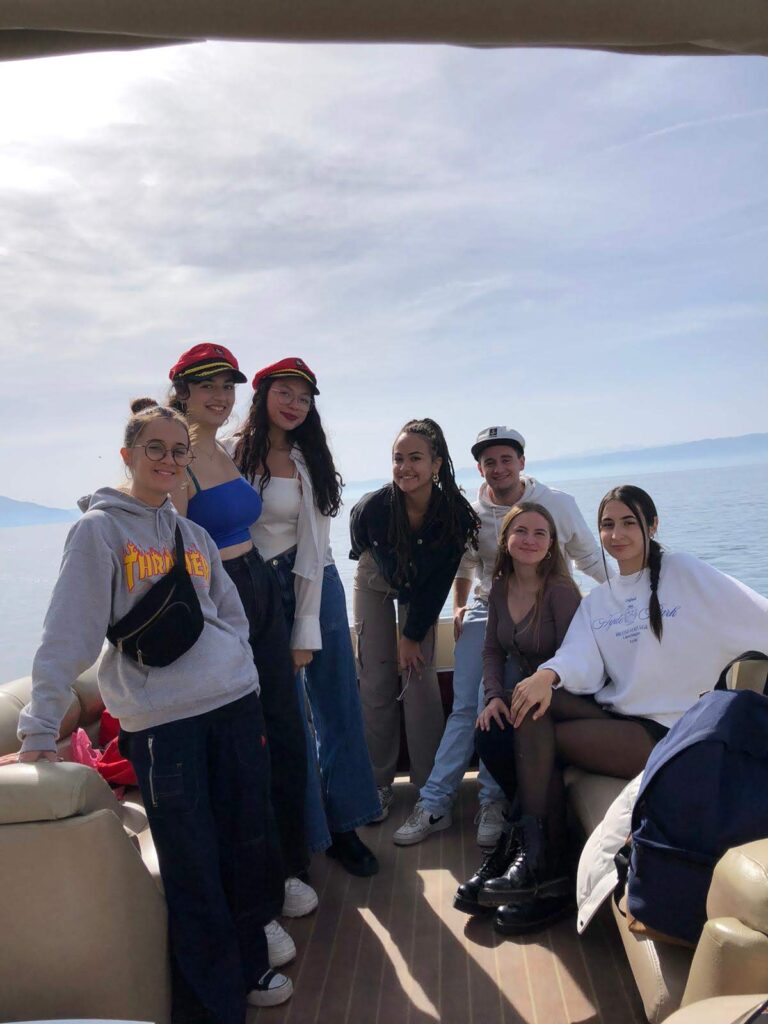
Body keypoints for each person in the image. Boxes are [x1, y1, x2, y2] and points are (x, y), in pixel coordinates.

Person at [17, 401, 293, 1021]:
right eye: (155, 448)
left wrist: (239, 670)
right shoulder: (98, 531)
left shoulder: (192, 536)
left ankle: (249, 961)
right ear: (128, 456)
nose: (168, 460)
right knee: (191, 858)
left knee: (247, 842)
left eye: (178, 451)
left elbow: (229, 613)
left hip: (232, 706)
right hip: (163, 725)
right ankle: (214, 999)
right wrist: (38, 732)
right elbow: (68, 635)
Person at [473, 484, 768, 935]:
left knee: (537, 732)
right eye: (607, 525)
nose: (616, 534)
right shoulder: (600, 600)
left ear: (652, 525)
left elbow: (756, 616)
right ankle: (540, 862)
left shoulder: (683, 572)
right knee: (530, 702)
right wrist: (547, 675)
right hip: (621, 719)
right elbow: (580, 659)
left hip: (671, 733)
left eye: (629, 522)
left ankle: (538, 864)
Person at [167, 343, 316, 939]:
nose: (220, 396)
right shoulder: (177, 455)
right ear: (181, 390)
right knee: (243, 744)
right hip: (218, 598)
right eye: (206, 385)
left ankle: (288, 866)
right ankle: (256, 898)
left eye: (227, 386)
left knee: (284, 729)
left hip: (257, 587)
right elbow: (171, 548)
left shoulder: (224, 450)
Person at [397, 425, 608, 848]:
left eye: (506, 459)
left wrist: (630, 596)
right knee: (465, 706)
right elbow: (466, 564)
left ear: (522, 462)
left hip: (540, 615)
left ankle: (492, 802)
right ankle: (434, 803)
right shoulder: (472, 512)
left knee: (491, 702)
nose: (498, 468)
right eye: (489, 462)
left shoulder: (557, 504)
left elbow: (589, 557)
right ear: (480, 468)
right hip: (489, 608)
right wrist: (460, 605)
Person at [232, 357, 381, 877]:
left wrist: (305, 629)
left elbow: (316, 549)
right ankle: (307, 834)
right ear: (262, 396)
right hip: (260, 587)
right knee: (288, 716)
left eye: (304, 397)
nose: (294, 405)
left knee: (338, 704)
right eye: (285, 393)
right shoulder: (228, 453)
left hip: (316, 580)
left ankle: (345, 825)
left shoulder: (308, 457)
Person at [450, 502, 581, 909]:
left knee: (522, 723)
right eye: (521, 531)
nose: (530, 540)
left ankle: (516, 849)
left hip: (567, 692)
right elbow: (492, 650)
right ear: (505, 538)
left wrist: (544, 685)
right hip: (525, 693)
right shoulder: (500, 587)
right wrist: (492, 696)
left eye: (540, 533)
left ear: (552, 544)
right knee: (489, 732)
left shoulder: (560, 592)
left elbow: (578, 656)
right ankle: (527, 840)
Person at [350, 418, 481, 821]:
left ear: (436, 464)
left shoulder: (454, 515)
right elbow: (365, 552)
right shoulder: (373, 508)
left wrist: (411, 636)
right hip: (375, 578)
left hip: (422, 587)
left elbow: (436, 585)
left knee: (418, 677)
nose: (405, 467)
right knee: (375, 678)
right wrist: (399, 637)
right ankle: (377, 783)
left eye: (416, 458)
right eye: (398, 458)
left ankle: (431, 787)